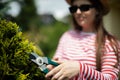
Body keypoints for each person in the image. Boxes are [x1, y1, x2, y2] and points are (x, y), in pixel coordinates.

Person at [45, 0, 120, 80]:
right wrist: (51, 68)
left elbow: (110, 78)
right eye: (74, 8)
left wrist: (81, 69)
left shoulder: (111, 43)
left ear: (97, 10)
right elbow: (56, 61)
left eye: (84, 7)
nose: (78, 12)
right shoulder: (67, 36)